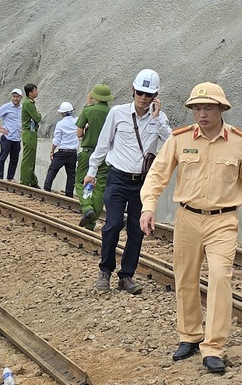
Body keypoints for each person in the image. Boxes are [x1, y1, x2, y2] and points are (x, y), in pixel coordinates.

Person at [140, 83, 242, 375]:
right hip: (187, 218)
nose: (201, 114)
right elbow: (157, 175)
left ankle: (213, 347)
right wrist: (148, 206)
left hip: (223, 221)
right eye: (197, 108)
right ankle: (189, 335)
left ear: (221, 109)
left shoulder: (240, 143)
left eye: (208, 108)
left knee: (220, 278)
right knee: (185, 278)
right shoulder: (179, 139)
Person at [87, 69, 171, 294]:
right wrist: (91, 171)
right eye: (140, 92)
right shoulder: (117, 113)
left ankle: (126, 276)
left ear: (156, 96)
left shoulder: (159, 118)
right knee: (113, 224)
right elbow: (103, 143)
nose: (143, 98)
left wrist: (158, 121)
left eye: (149, 94)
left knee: (137, 229)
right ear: (133, 90)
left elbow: (173, 144)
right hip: (117, 178)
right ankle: (105, 271)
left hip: (143, 183)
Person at [75, 83, 113, 221]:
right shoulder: (112, 112)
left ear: (94, 96)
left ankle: (87, 207)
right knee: (100, 186)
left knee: (81, 182)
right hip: (106, 155)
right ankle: (91, 222)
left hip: (88, 152)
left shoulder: (88, 110)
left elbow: (79, 133)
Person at [43, 101, 79, 192]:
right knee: (71, 174)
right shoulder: (77, 121)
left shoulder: (60, 124)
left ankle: (47, 189)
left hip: (62, 152)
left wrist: (52, 151)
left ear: (62, 113)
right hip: (73, 153)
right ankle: (69, 194)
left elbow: (57, 140)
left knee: (52, 170)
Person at [0, 88, 23, 180]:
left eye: (17, 97)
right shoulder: (6, 107)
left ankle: (10, 177)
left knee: (14, 159)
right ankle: (0, 178)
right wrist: (0, 128)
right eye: (14, 96)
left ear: (21, 97)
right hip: (7, 137)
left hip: (17, 138)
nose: (15, 99)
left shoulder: (22, 108)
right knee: (2, 158)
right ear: (11, 97)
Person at [18, 82, 41, 186]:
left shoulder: (30, 102)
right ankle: (26, 181)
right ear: (30, 93)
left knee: (31, 158)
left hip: (32, 132)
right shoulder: (28, 103)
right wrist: (38, 115)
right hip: (29, 133)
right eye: (35, 90)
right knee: (28, 158)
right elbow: (37, 118)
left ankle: (32, 180)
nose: (37, 92)